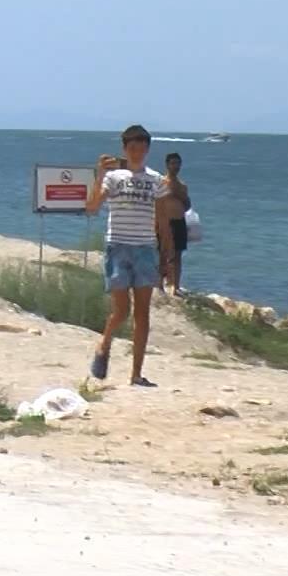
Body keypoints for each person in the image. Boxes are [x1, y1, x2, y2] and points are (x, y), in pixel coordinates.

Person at [84, 124, 163, 388]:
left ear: (148, 149)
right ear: (124, 149)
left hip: (145, 249)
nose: (137, 153)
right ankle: (104, 345)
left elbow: (163, 219)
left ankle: (136, 374)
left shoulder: (155, 180)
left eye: (141, 148)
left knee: (143, 314)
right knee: (121, 312)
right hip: (118, 247)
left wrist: (166, 255)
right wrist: (99, 175)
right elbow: (92, 208)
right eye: (132, 148)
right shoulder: (114, 177)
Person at [156, 151, 192, 296]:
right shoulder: (161, 183)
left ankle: (175, 286)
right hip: (165, 222)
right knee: (162, 254)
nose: (176, 166)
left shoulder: (183, 185)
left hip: (179, 221)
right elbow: (156, 203)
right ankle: (159, 284)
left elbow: (188, 205)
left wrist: (181, 195)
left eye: (178, 163)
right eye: (173, 163)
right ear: (167, 165)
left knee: (177, 256)